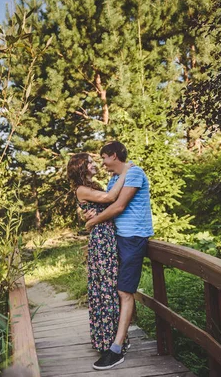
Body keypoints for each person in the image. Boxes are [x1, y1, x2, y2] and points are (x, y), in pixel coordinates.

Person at [85, 141, 154, 370]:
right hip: (119, 237)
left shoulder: (134, 173)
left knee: (125, 291)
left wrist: (93, 221)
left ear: (114, 155)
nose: (102, 163)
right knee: (117, 289)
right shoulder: (115, 178)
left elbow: (119, 207)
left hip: (133, 237)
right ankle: (120, 340)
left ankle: (116, 349)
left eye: (104, 157)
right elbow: (107, 202)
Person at [66, 153, 132, 354]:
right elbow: (111, 198)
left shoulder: (91, 186)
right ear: (82, 167)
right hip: (102, 239)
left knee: (109, 287)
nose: (94, 165)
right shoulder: (82, 189)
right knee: (106, 287)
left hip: (107, 236)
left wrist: (89, 217)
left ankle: (112, 338)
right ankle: (107, 341)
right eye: (90, 162)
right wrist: (126, 171)